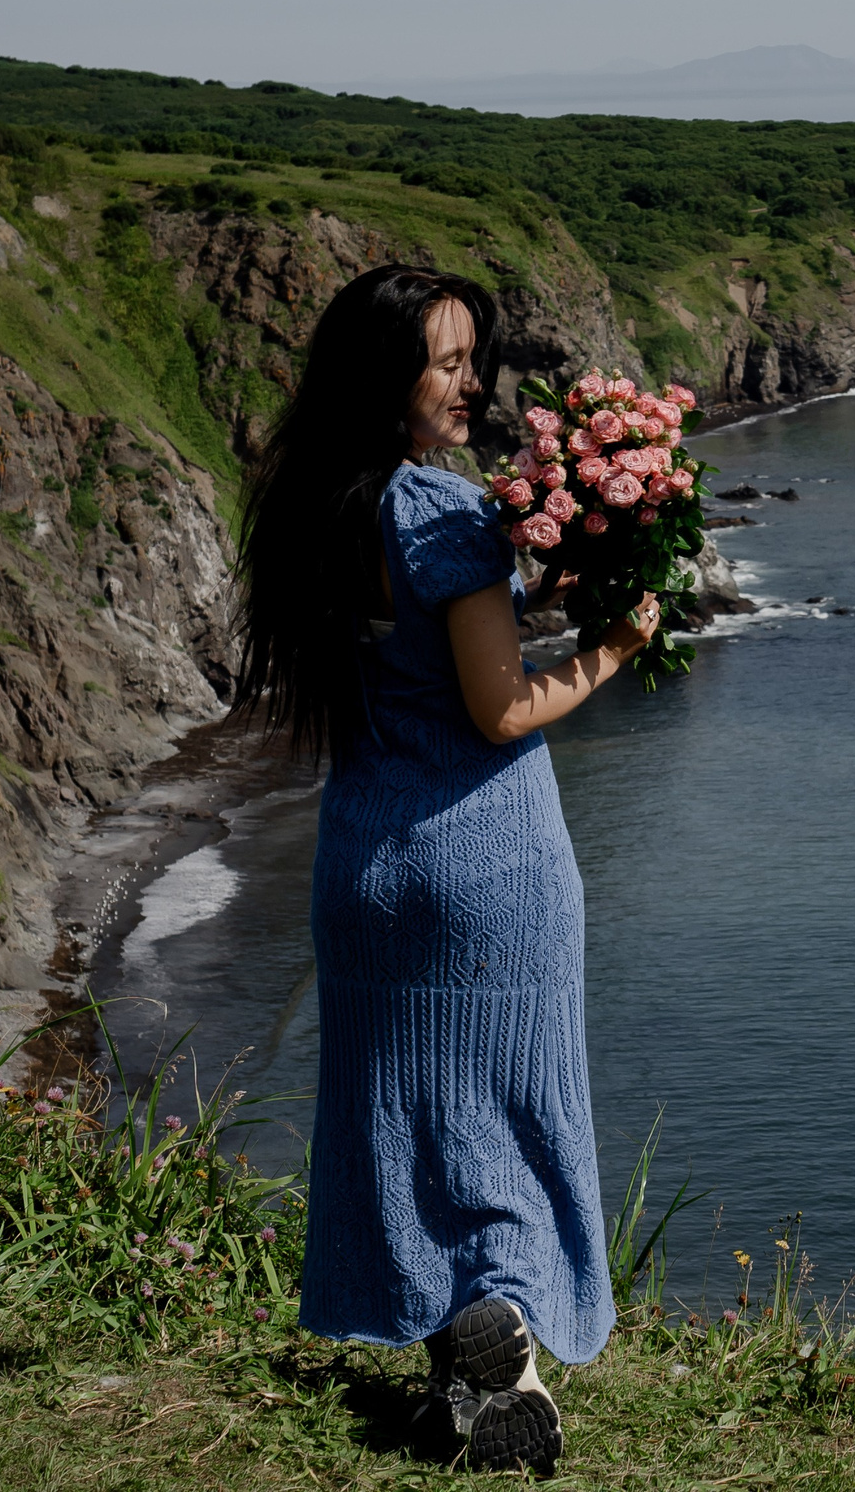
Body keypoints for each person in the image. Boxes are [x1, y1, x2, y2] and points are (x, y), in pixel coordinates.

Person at [233, 264, 659, 1474]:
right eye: (447, 362)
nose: (472, 384)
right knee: (512, 1115)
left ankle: (459, 1354)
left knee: (410, 1114)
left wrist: (533, 583)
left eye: (474, 358)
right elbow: (498, 709)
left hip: (365, 862)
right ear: (389, 378)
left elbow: (422, 649)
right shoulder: (441, 512)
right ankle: (507, 1330)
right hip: (483, 862)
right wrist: (616, 645)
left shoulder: (321, 506)